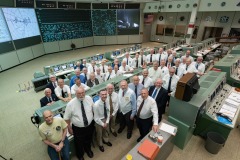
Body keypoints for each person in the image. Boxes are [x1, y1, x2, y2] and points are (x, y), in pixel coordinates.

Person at [64, 87, 95, 160]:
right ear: (75, 94)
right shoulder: (70, 104)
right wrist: (69, 128)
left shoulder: (89, 98)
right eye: (79, 93)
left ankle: (88, 150)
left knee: (88, 139)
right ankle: (80, 155)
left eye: (83, 93)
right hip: (78, 128)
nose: (81, 95)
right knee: (78, 143)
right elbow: (66, 118)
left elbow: (92, 108)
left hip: (89, 125)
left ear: (85, 92)